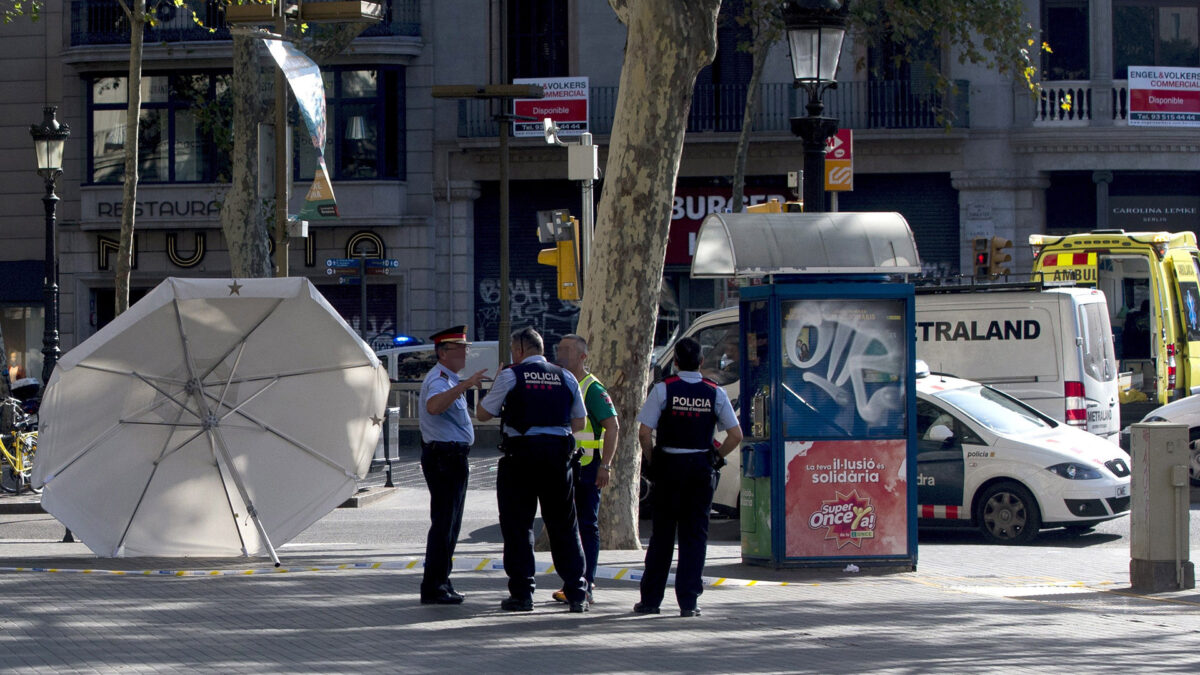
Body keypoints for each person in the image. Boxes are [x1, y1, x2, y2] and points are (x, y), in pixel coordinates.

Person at [477, 326, 590, 613]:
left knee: (518, 526)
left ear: (518, 350)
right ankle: (577, 592)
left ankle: (522, 594)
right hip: (557, 458)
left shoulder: (510, 375)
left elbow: (483, 413)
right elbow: (579, 422)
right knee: (565, 526)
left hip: (521, 457)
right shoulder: (565, 376)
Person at [634, 336, 742, 617]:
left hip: (669, 466)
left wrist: (652, 459)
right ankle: (689, 603)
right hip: (699, 469)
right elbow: (736, 435)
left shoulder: (663, 389)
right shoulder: (714, 392)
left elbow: (644, 432)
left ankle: (651, 601)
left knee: (662, 537)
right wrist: (716, 458)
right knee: (695, 538)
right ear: (702, 362)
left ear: (677, 362)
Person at [418, 325, 490, 605]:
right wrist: (464, 385)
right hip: (444, 458)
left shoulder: (448, 378)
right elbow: (434, 407)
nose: (464, 354)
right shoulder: (439, 379)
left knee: (451, 524)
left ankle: (441, 580)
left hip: (452, 458)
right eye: (460, 349)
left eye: (465, 349)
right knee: (444, 524)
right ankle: (434, 585)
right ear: (443, 353)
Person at [550, 334, 619, 606]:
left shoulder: (592, 388)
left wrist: (606, 465)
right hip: (564, 465)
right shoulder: (561, 382)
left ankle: (586, 583)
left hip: (588, 468)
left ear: (582, 356)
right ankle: (572, 583)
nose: (561, 354)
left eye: (567, 350)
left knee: (587, 526)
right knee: (566, 527)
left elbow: (612, 426)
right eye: (559, 349)